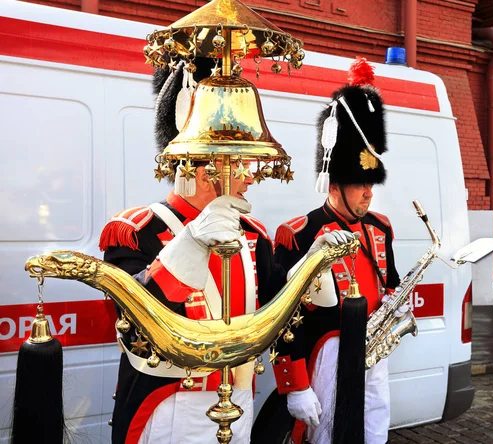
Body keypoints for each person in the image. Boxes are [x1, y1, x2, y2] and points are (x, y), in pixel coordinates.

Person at [99, 57, 286, 444]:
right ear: (203, 167)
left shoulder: (254, 235)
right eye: (239, 160)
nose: (251, 174)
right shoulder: (136, 231)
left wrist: (315, 266)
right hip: (170, 408)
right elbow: (130, 324)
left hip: (241, 401)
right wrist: (188, 246)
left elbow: (278, 316)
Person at [271, 58, 408, 444]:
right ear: (334, 185)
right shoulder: (299, 234)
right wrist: (294, 383)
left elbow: (390, 281)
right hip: (324, 352)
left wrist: (396, 299)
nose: (369, 191)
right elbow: (282, 318)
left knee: (375, 427)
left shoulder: (380, 227)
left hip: (372, 350)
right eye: (360, 183)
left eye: (371, 182)